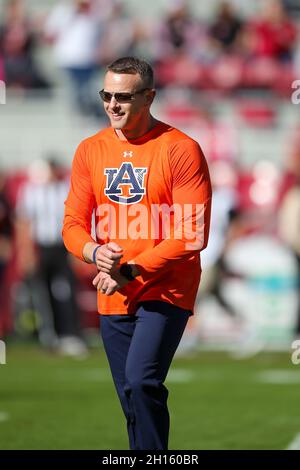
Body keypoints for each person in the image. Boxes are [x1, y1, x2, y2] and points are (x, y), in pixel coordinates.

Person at [62, 56, 212, 450]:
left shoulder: (181, 149)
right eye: (106, 95)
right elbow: (72, 225)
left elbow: (191, 234)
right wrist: (95, 253)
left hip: (165, 287)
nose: (112, 105)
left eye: (123, 97)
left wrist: (129, 268)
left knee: (143, 379)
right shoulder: (89, 150)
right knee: (130, 395)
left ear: (149, 97)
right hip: (114, 289)